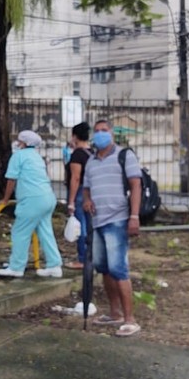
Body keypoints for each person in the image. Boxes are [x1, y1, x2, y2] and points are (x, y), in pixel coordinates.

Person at [82, 119, 142, 338]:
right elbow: (86, 188)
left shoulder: (124, 155)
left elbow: (136, 185)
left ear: (112, 134)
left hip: (118, 219)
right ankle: (115, 312)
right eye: (96, 131)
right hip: (97, 221)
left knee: (118, 268)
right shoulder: (91, 161)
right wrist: (86, 200)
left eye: (104, 131)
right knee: (103, 267)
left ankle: (130, 319)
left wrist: (134, 216)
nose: (100, 134)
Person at [0, 130, 63, 279]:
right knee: (45, 232)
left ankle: (16, 267)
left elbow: (11, 180)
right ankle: (54, 265)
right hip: (47, 197)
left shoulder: (18, 156)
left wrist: (5, 199)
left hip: (32, 200)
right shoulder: (37, 157)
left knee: (20, 232)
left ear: (23, 143)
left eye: (19, 140)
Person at [63, 122, 92, 270]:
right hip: (91, 192)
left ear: (75, 136)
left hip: (80, 192)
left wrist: (71, 201)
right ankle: (91, 257)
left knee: (80, 227)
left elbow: (75, 178)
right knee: (90, 226)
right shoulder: (92, 153)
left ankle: (82, 259)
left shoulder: (77, 154)